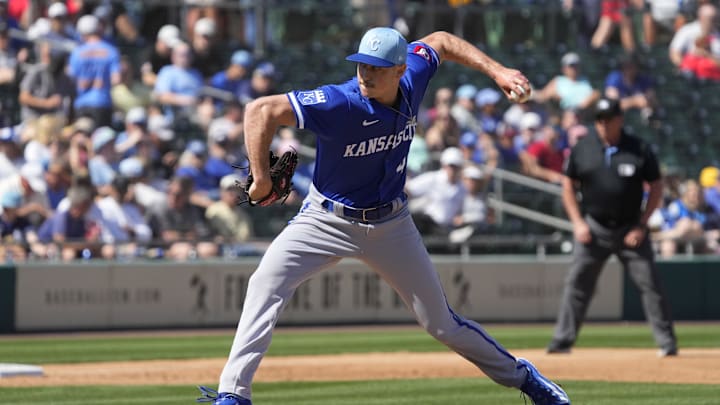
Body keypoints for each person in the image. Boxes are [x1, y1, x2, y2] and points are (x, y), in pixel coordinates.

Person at [199, 27, 570, 405]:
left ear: (399, 69)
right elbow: (260, 109)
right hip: (325, 219)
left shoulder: (414, 74)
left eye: (376, 68)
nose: (365, 74)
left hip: (392, 225)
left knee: (441, 324)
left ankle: (525, 378)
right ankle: (233, 394)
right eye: (361, 65)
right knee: (264, 283)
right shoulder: (339, 101)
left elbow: (442, 39)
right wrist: (261, 177)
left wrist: (498, 71)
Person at [547, 98, 677, 358]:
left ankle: (667, 344)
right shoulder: (583, 148)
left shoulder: (638, 148)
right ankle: (562, 342)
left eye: (609, 118)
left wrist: (642, 225)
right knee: (577, 284)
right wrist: (577, 222)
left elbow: (657, 187)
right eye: (599, 119)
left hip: (631, 228)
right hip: (593, 228)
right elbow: (568, 186)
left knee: (650, 284)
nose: (604, 124)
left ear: (620, 119)